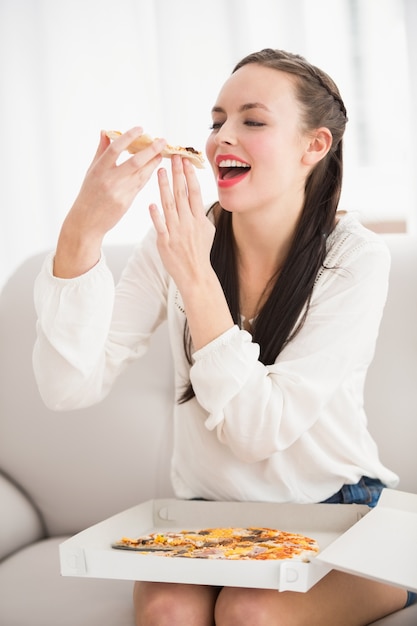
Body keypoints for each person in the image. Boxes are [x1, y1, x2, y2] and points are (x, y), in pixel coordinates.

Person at [32, 48, 413, 625]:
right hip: (206, 515)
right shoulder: (178, 240)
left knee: (249, 614)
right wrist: (82, 230)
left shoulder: (354, 258)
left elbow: (262, 431)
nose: (220, 139)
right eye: (216, 121)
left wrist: (195, 273)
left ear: (315, 146)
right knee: (166, 611)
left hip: (338, 512)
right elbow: (67, 387)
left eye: (252, 121)